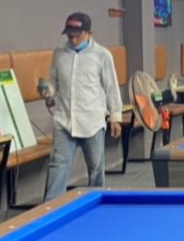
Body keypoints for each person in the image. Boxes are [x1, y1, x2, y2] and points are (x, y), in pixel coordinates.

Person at [42, 12, 123, 201]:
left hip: (92, 122)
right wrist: (48, 92)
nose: (72, 38)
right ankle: (50, 208)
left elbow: (111, 87)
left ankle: (98, 202)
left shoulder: (102, 55)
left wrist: (115, 117)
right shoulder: (59, 54)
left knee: (96, 169)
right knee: (57, 165)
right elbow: (53, 82)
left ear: (88, 32)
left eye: (77, 35)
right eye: (69, 34)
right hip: (64, 121)